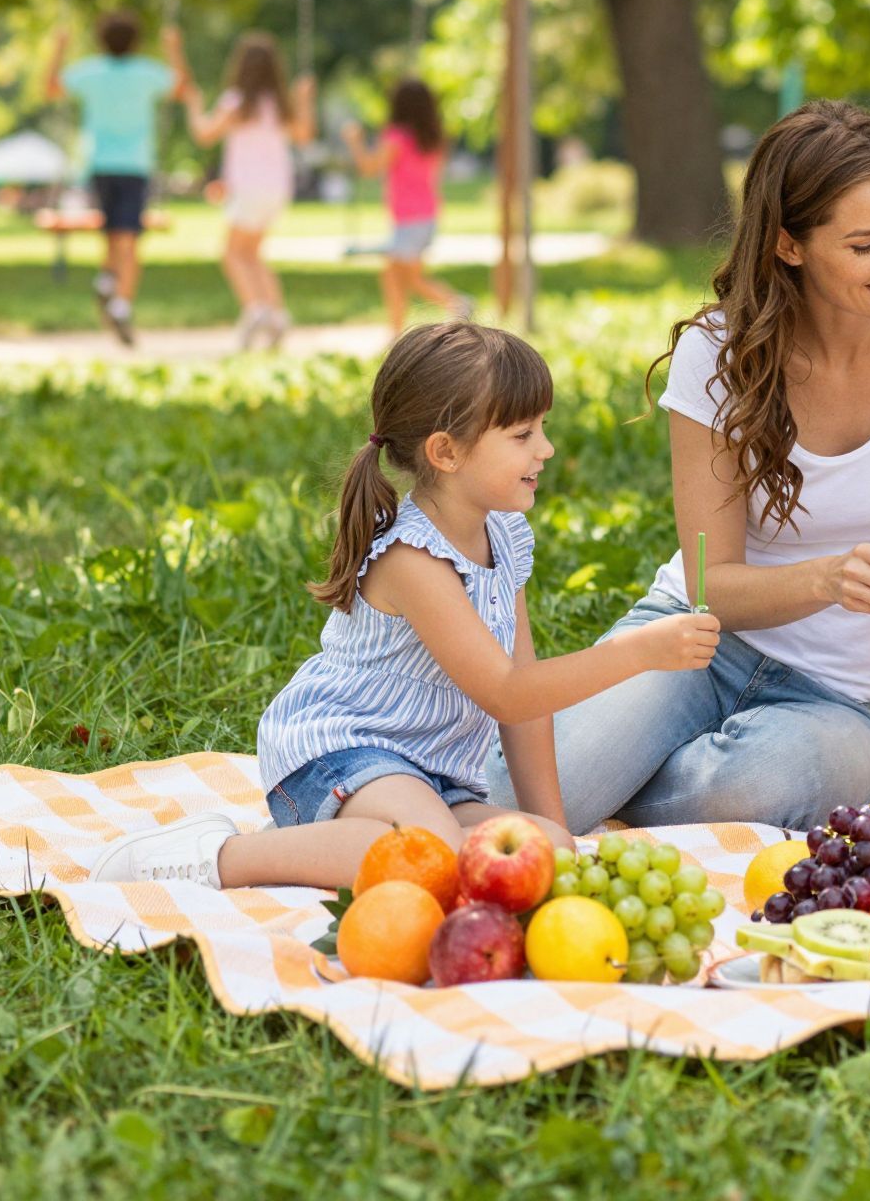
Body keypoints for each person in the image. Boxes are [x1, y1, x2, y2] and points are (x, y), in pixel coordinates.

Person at [486, 100, 870, 833]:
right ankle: (610, 776)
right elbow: (714, 586)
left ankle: (626, 786)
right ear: (789, 246)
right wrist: (830, 577)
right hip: (691, 640)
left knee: (752, 789)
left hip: (840, 697)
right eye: (866, 243)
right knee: (509, 803)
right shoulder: (720, 353)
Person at [88, 322, 723, 892]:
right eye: (523, 434)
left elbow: (526, 714)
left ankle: (410, 833)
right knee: (430, 857)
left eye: (543, 429)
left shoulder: (504, 537)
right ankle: (219, 857)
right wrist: (640, 651)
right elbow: (507, 691)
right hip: (337, 755)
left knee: (544, 853)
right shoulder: (414, 561)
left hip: (432, 775)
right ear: (446, 453)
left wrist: (553, 829)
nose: (546, 449)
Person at [45, 12, 192, 345]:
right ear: (137, 41)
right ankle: (122, 302)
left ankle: (108, 283)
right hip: (134, 166)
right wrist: (174, 49)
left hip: (98, 165)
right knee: (129, 239)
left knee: (112, 235)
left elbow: (51, 87)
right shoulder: (146, 74)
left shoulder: (91, 73)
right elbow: (183, 88)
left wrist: (59, 48)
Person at [184, 33, 314, 350]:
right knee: (253, 254)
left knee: (231, 253)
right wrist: (305, 100)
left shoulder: (236, 102)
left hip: (247, 189)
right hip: (277, 190)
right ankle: (276, 314)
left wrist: (193, 105)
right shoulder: (279, 106)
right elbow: (304, 135)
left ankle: (255, 309)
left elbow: (204, 135)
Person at [343, 79, 473, 337]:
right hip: (426, 215)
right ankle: (404, 328)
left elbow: (370, 168)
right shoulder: (432, 139)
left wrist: (355, 141)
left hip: (410, 219)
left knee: (398, 276)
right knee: (401, 276)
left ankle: (457, 304)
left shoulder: (397, 137)